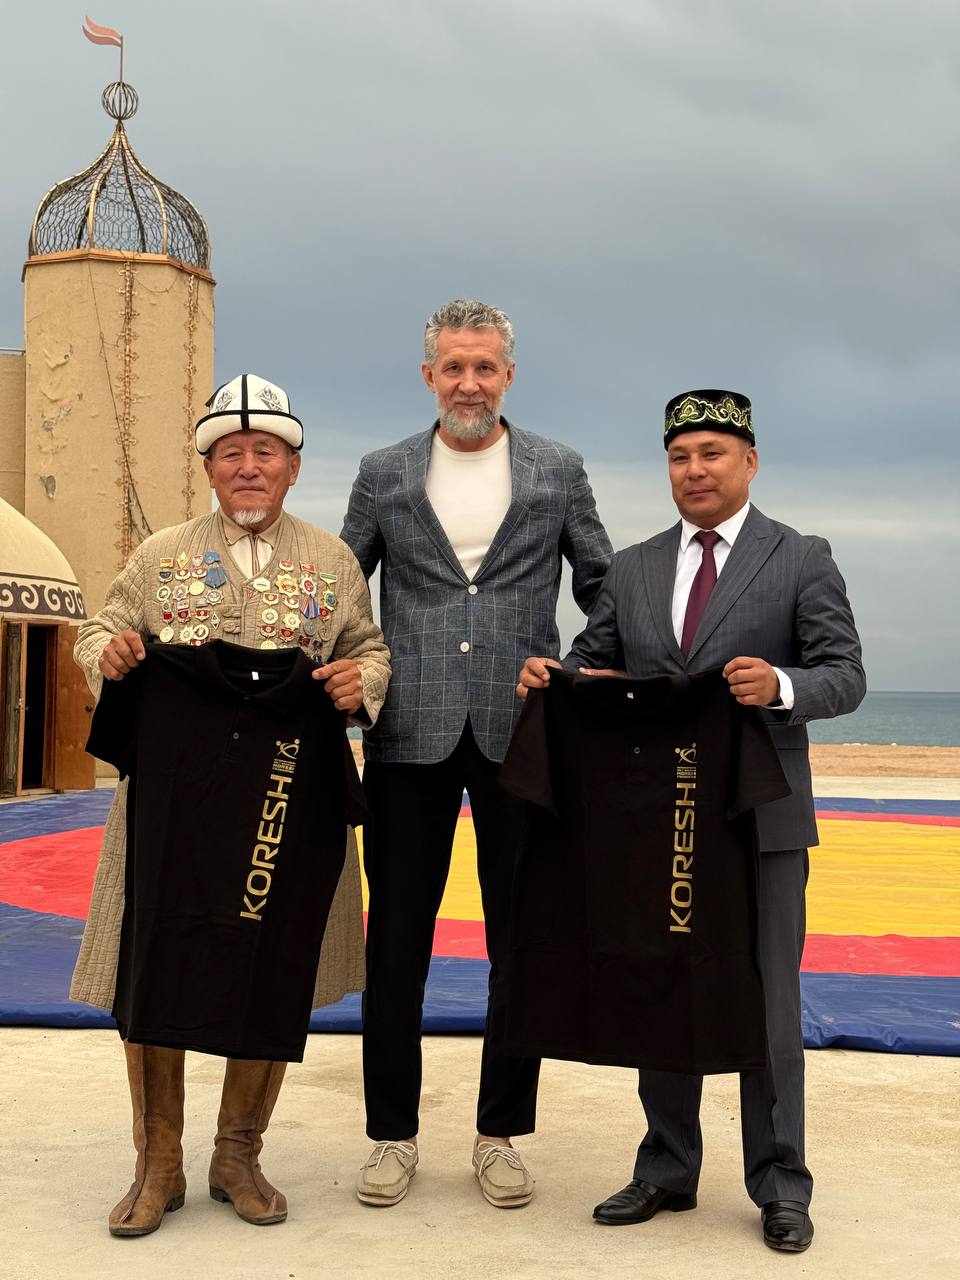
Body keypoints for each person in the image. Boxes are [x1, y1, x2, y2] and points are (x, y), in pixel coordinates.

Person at [518, 389, 865, 1253]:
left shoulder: (801, 557)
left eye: (712, 454)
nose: (695, 470)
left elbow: (844, 674)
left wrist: (779, 686)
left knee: (768, 998)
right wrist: (555, 678)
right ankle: (667, 1166)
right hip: (654, 820)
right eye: (680, 456)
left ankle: (780, 1182)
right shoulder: (634, 568)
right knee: (659, 981)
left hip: (762, 820)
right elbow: (594, 661)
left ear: (750, 462)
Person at [70, 373, 391, 1236]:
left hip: (286, 805)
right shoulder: (160, 554)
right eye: (231, 454)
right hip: (171, 809)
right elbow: (97, 629)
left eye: (266, 453)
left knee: (271, 959)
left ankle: (238, 1154)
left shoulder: (332, 561)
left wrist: (362, 682)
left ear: (293, 467)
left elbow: (369, 648)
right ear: (209, 468)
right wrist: (108, 654)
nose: (249, 467)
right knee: (154, 962)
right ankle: (158, 1162)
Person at [341, 299, 613, 1208]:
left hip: (521, 736)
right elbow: (340, 586)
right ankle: (390, 1134)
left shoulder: (557, 470)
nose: (469, 383)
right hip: (406, 736)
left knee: (520, 943)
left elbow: (604, 588)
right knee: (395, 947)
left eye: (484, 367)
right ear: (429, 376)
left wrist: (575, 671)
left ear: (508, 375)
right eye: (453, 367)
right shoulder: (382, 472)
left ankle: (500, 1135)